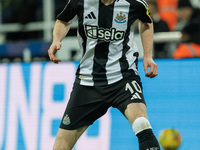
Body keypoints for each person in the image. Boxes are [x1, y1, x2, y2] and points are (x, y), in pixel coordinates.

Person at [48, 0, 160, 149]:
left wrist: (147, 55)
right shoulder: (80, 1)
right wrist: (56, 39)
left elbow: (146, 22)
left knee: (141, 123)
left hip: (123, 77)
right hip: (87, 82)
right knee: (61, 145)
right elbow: (63, 20)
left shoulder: (134, 3)